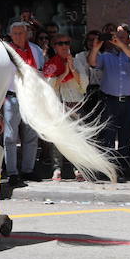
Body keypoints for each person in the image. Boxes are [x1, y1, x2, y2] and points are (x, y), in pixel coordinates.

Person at [88, 24, 130, 180]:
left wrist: (122, 45)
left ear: (128, 40)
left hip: (129, 101)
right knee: (108, 137)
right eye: (115, 38)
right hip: (110, 101)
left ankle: (124, 169)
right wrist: (96, 47)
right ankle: (109, 170)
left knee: (126, 136)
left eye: (122, 37)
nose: (117, 40)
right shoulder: (106, 56)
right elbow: (92, 63)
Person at [2, 22, 44, 185]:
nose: (19, 36)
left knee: (31, 136)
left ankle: (28, 170)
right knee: (10, 136)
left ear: (27, 34)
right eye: (15, 33)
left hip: (31, 97)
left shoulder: (36, 50)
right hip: (11, 97)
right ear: (11, 35)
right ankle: (12, 172)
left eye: (21, 33)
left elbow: (41, 70)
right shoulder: (5, 51)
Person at [44, 34, 87, 181]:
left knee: (77, 137)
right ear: (54, 47)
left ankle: (78, 168)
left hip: (75, 104)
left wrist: (72, 69)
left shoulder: (77, 61)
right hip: (59, 105)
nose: (64, 46)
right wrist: (64, 73)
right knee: (58, 139)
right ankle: (57, 168)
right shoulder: (51, 63)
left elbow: (84, 83)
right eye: (60, 43)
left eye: (67, 43)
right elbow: (49, 86)